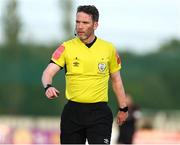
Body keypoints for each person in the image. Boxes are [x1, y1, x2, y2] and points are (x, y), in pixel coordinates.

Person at [41, 5, 128, 144]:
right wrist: (48, 86)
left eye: (85, 23)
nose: (80, 26)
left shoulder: (108, 49)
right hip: (73, 113)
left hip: (99, 113)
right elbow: (48, 72)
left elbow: (117, 80)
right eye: (77, 22)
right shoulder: (66, 47)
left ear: (95, 25)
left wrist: (123, 108)